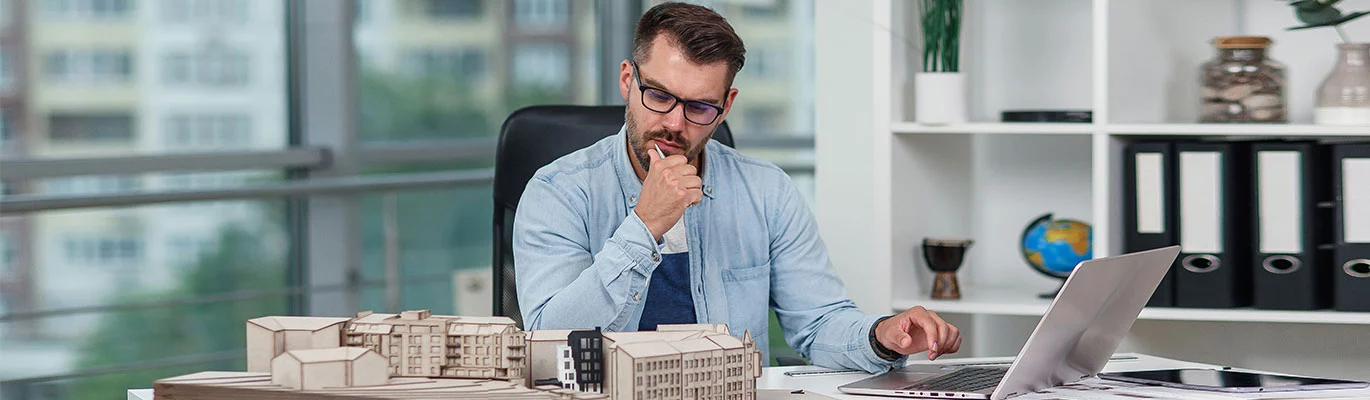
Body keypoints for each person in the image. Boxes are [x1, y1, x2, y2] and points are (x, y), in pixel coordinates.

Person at [512, 1, 961, 374]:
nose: (673, 123)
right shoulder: (558, 191)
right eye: (659, 95)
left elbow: (820, 323)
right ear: (629, 81)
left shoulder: (767, 191)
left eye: (700, 106)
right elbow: (551, 348)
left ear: (726, 106)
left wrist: (882, 337)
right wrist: (645, 225)